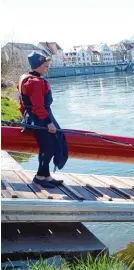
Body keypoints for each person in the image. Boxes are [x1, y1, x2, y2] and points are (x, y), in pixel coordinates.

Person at [17, 52, 68, 188]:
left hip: (33, 117)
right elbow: (38, 106)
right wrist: (48, 123)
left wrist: (25, 117)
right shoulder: (36, 82)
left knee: (47, 147)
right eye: (45, 66)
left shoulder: (24, 78)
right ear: (37, 66)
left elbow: (22, 103)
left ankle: (46, 176)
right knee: (50, 147)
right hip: (41, 118)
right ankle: (40, 176)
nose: (47, 69)